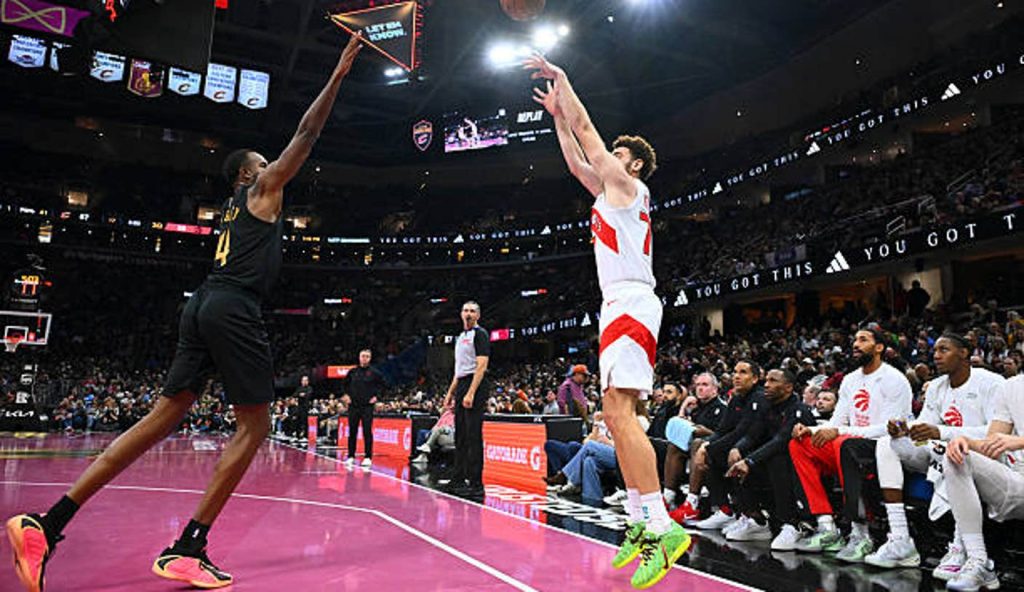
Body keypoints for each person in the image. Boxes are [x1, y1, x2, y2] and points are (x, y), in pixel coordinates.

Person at [5, 32, 365, 592]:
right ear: (249, 174)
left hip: (200, 304)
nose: (276, 167)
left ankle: (47, 523)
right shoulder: (262, 190)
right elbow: (307, 133)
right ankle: (189, 547)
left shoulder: (231, 211)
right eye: (265, 163)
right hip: (232, 307)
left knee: (160, 418)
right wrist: (339, 74)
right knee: (256, 424)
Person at [527, 53, 688, 589]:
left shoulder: (627, 187)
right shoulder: (605, 194)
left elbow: (589, 134)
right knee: (617, 417)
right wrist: (555, 115)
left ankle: (662, 529)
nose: (606, 161)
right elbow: (577, 161)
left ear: (633, 166)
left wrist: (566, 81)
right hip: (616, 304)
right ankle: (642, 527)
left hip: (632, 301)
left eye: (616, 157)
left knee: (619, 416)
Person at [869, 333, 1004, 576]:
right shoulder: (937, 386)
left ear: (964, 353)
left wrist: (941, 431)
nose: (936, 355)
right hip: (939, 450)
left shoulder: (992, 382)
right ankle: (900, 538)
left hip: (982, 453)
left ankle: (961, 547)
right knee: (887, 444)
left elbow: (995, 432)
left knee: (956, 452)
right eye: (936, 351)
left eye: (944, 350)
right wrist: (905, 431)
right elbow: (926, 428)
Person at [789, 327, 913, 561]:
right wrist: (813, 430)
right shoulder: (850, 380)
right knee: (799, 444)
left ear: (879, 348)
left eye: (863, 340)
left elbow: (887, 429)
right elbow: (837, 422)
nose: (855, 344)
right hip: (849, 443)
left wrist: (838, 431)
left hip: (884, 448)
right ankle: (826, 525)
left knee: (843, 443)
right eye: (855, 339)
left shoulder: (895, 379)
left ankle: (861, 534)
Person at [943, 375, 1024, 592]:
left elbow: (1013, 442)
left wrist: (1021, 441)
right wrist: (965, 441)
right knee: (956, 456)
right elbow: (992, 443)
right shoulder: (1012, 386)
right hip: (1019, 482)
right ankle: (979, 562)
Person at [723, 369, 815, 549]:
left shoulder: (799, 410)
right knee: (738, 458)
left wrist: (750, 461)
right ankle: (756, 520)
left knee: (776, 458)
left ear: (788, 387)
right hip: (771, 462)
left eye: (773, 381)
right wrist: (737, 449)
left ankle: (792, 523)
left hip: (801, 470)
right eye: (766, 381)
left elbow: (780, 441)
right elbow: (752, 435)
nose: (766, 384)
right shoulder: (766, 406)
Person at [441, 301, 490, 497]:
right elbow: (458, 370)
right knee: (460, 436)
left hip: (475, 384)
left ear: (477, 315)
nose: (468, 314)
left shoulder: (481, 334)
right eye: (465, 310)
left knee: (473, 435)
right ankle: (458, 478)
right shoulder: (460, 337)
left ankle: (476, 483)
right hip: (461, 383)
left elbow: (482, 365)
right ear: (461, 314)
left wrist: (471, 392)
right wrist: (450, 393)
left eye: (472, 311)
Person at [665, 372, 726, 520]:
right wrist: (684, 406)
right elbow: (684, 424)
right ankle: (668, 497)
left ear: (715, 389)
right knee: (675, 444)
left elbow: (724, 434)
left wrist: (704, 432)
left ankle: (692, 502)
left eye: (705, 385)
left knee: (698, 444)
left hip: (715, 449)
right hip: (693, 448)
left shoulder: (722, 408)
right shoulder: (697, 407)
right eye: (698, 385)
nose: (700, 388)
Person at [344, 349, 385, 469]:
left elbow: (383, 386)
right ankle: (351, 455)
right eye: (363, 356)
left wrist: (377, 397)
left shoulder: (374, 373)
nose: (364, 358)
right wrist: (346, 396)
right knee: (352, 431)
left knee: (367, 431)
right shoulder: (352, 372)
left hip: (367, 406)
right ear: (359, 357)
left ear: (370, 358)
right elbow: (344, 385)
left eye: (367, 356)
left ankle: (368, 457)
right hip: (353, 406)